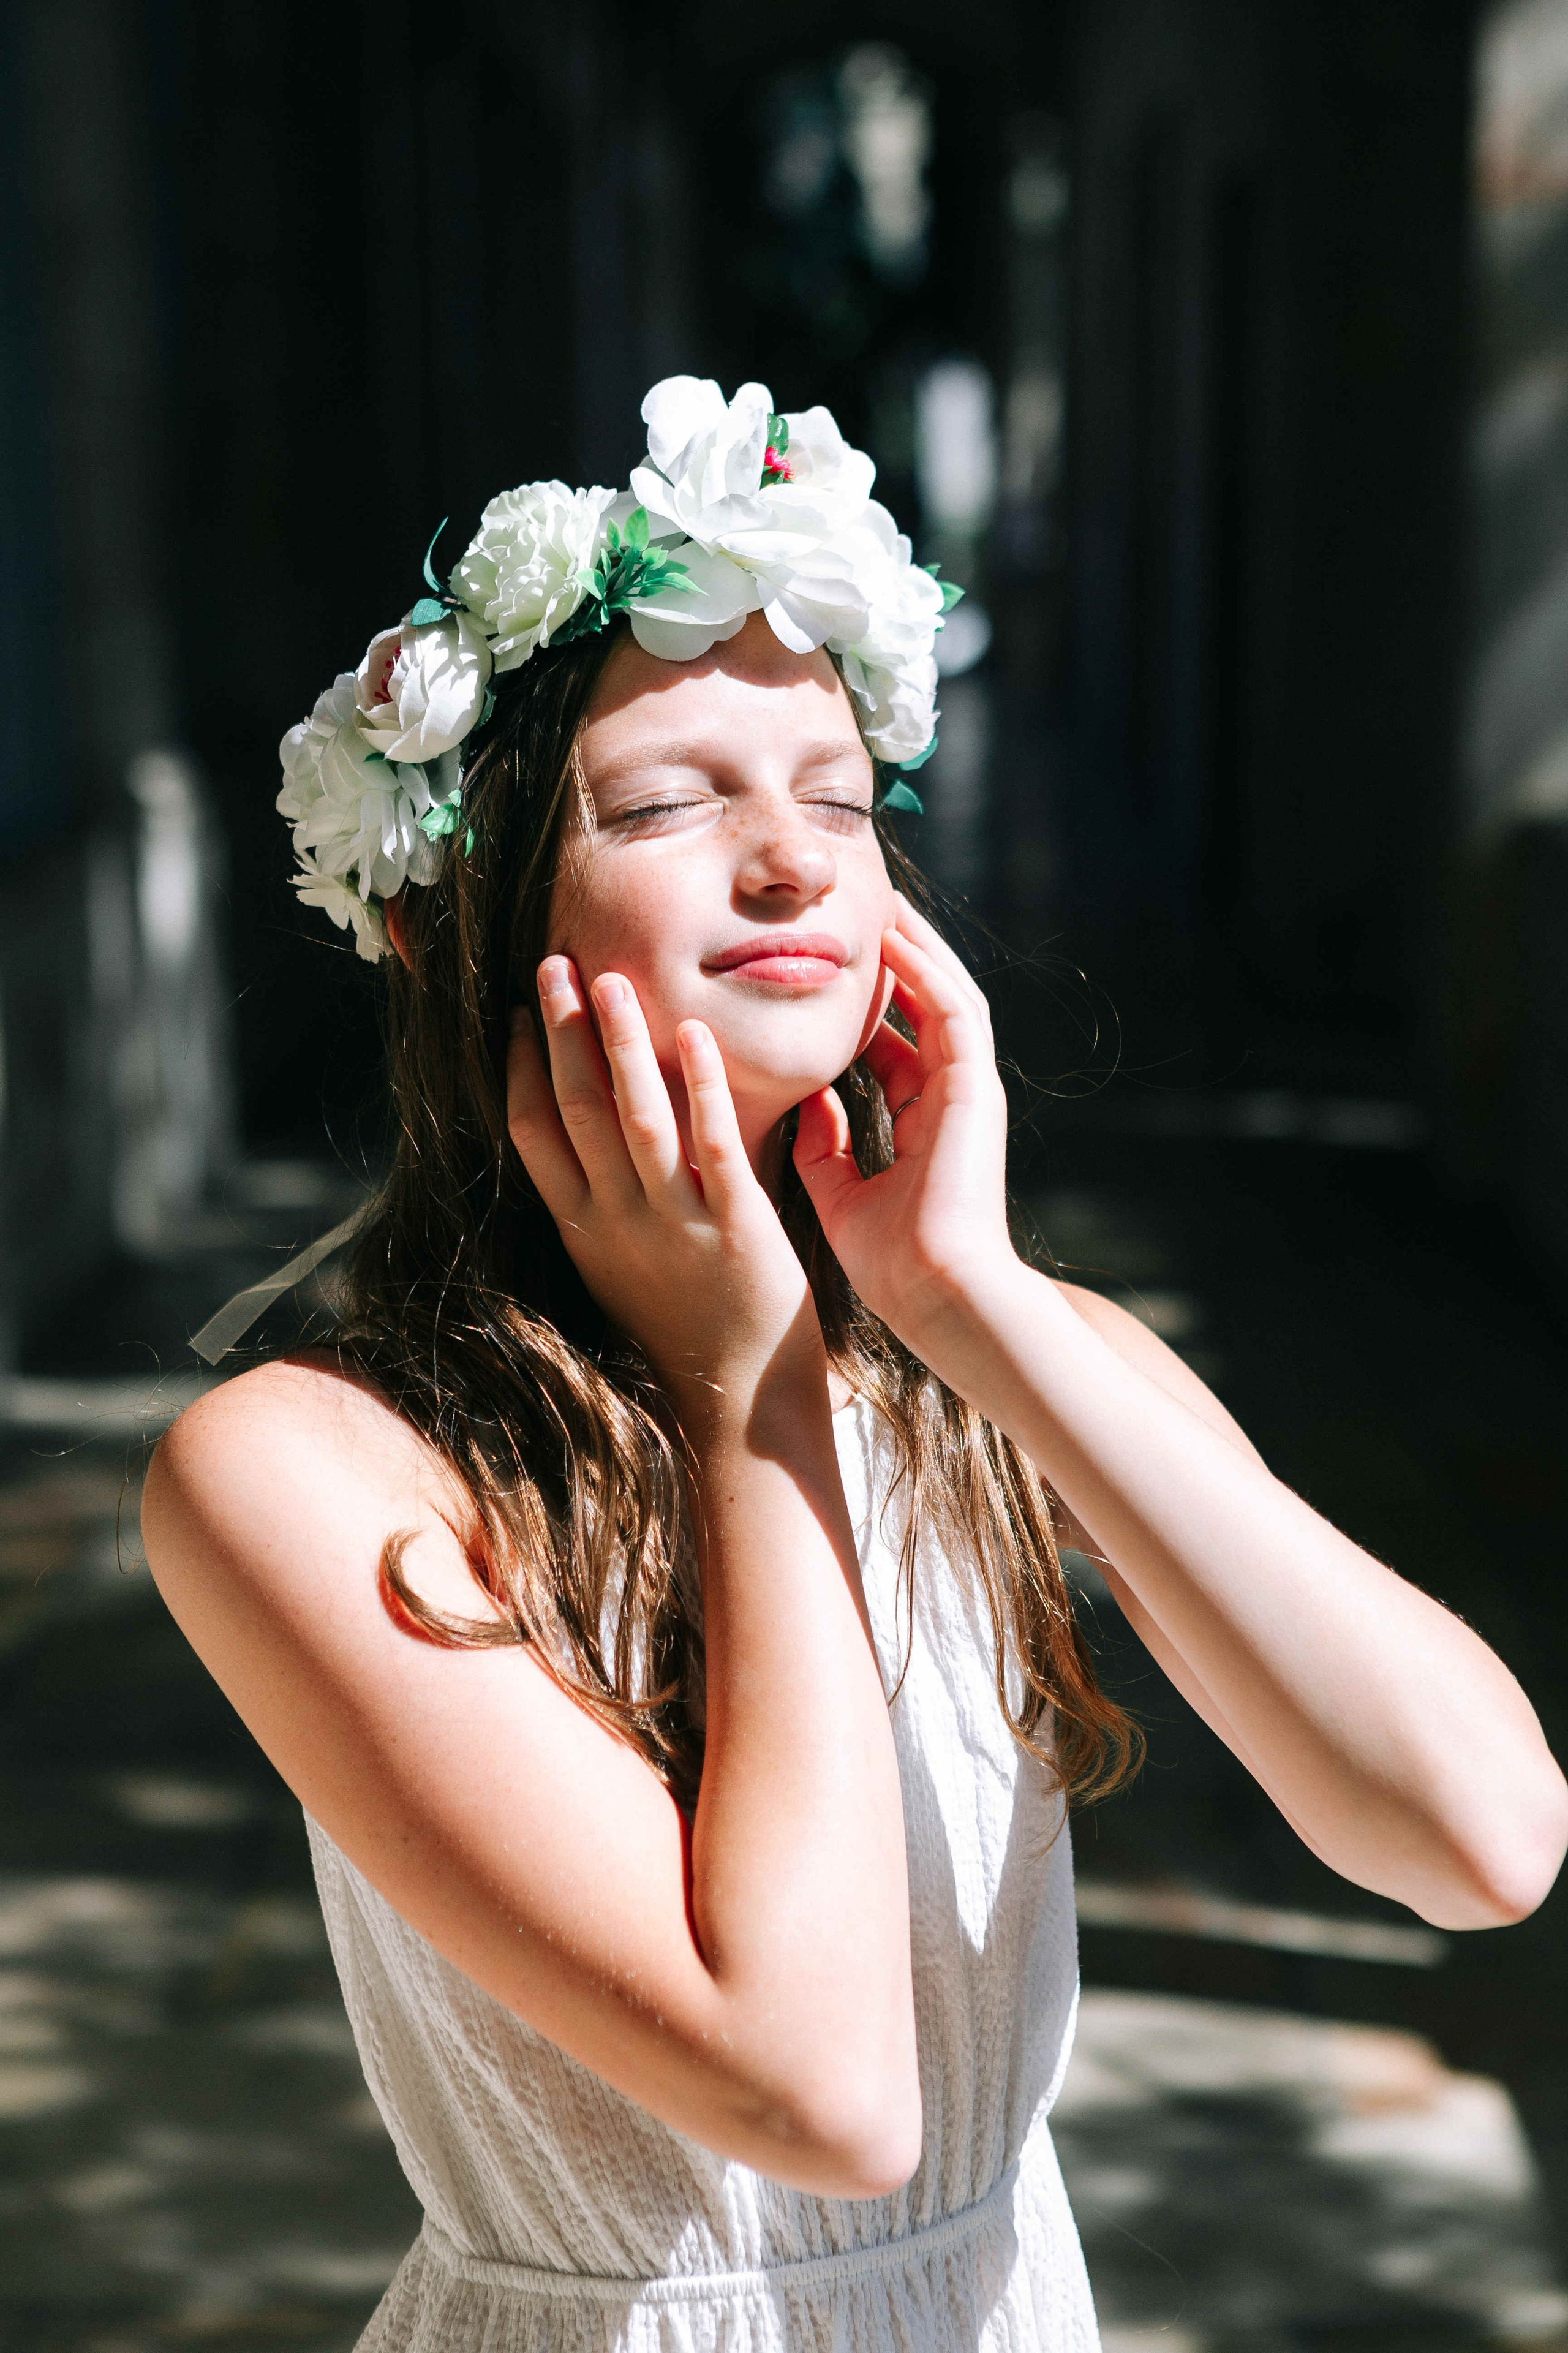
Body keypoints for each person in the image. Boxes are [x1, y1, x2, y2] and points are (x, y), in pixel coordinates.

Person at [143, 378, 1567, 2353]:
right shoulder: (304, 1471)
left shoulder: (997, 1358)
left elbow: (1481, 1836)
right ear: (456, 917)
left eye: (835, 793)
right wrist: (751, 1392)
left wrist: (970, 1299)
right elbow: (820, 2090)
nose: (794, 859)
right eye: (665, 802)